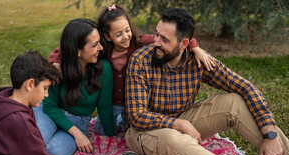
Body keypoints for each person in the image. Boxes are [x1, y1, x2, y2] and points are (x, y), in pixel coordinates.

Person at [124, 8, 289, 155]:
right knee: (175, 139)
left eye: (164, 39)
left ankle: (286, 154)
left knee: (234, 102)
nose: (156, 42)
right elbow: (136, 115)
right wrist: (179, 124)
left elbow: (244, 87)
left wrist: (269, 132)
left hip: (183, 119)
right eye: (156, 35)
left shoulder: (196, 59)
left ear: (184, 43)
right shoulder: (140, 60)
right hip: (143, 132)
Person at [49, 4, 215, 136]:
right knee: (103, 132)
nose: (125, 36)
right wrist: (56, 60)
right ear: (107, 36)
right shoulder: (102, 49)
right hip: (110, 102)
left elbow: (174, 37)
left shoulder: (138, 42)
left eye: (127, 30)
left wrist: (195, 48)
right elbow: (69, 46)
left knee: (129, 133)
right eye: (119, 34)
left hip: (131, 102)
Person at [34, 18, 116, 155]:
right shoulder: (58, 67)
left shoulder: (104, 69)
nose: (101, 48)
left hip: (79, 121)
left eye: (99, 42)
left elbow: (104, 107)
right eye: (95, 45)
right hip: (51, 113)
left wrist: (112, 138)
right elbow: (48, 106)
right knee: (35, 142)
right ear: (78, 51)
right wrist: (77, 134)